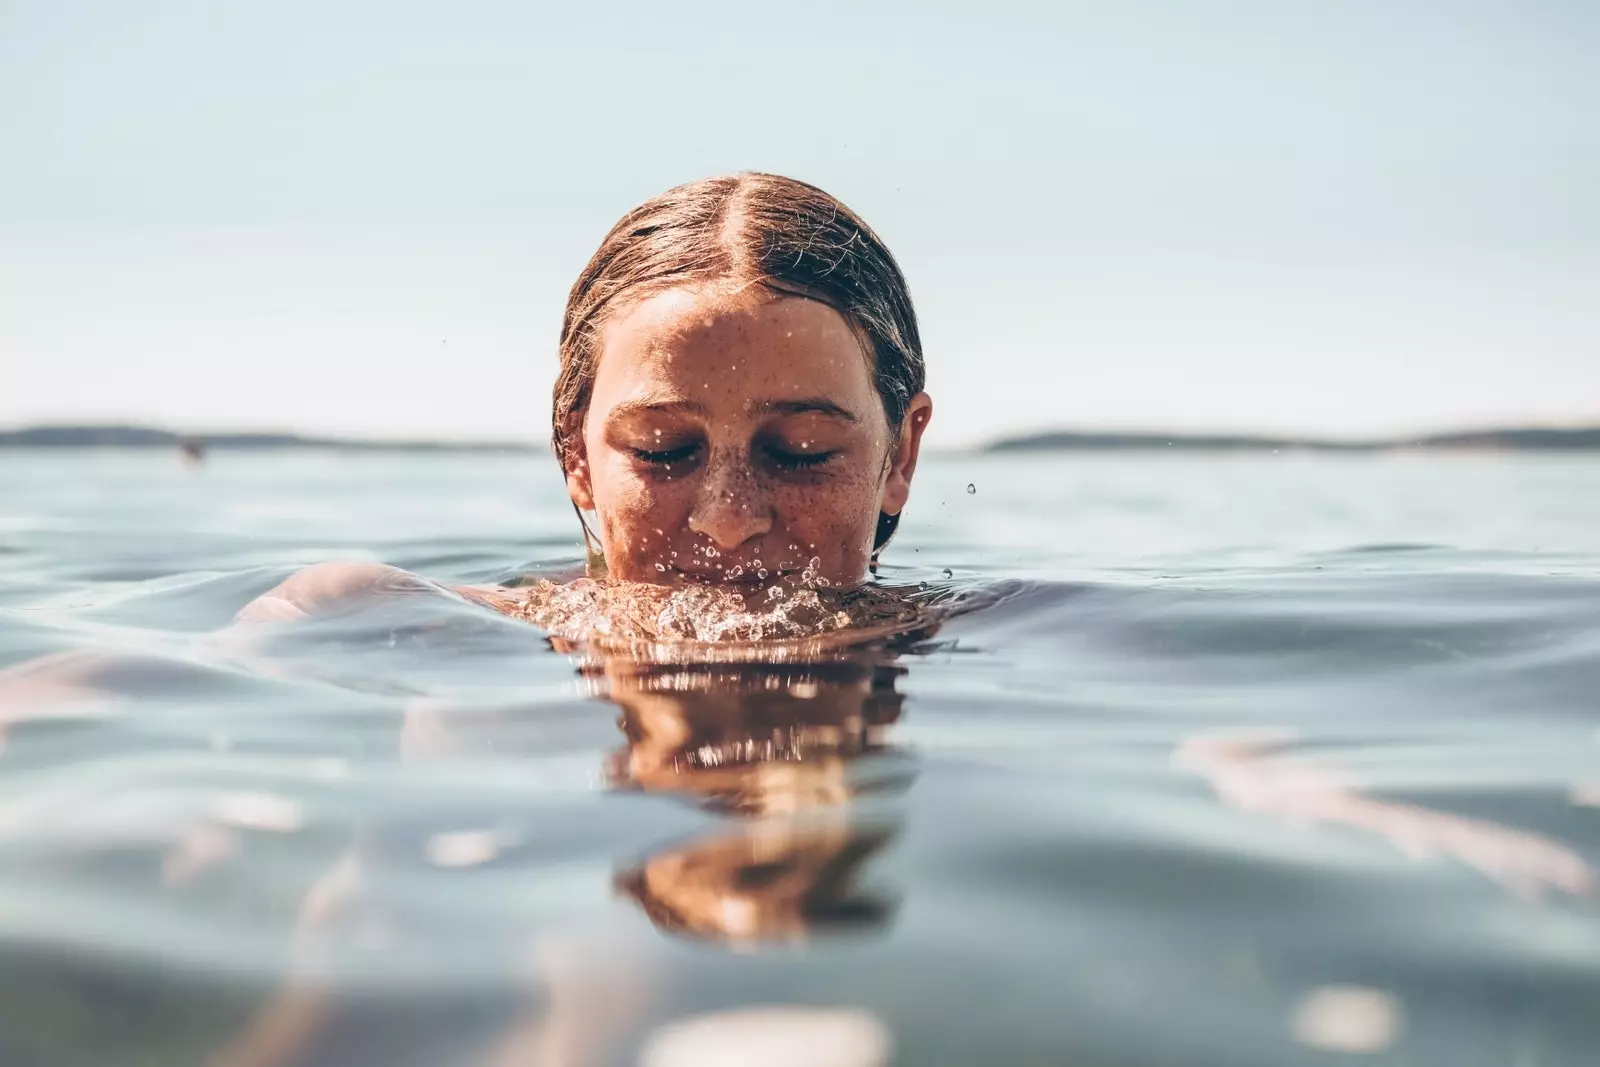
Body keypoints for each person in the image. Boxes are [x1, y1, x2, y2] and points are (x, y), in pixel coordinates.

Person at [236, 172, 935, 634]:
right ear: (576, 456)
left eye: (800, 450)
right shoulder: (377, 619)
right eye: (663, 450)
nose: (728, 518)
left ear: (899, 455)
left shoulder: (1007, 637)